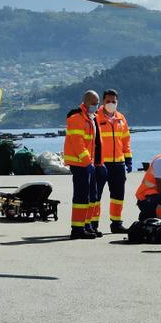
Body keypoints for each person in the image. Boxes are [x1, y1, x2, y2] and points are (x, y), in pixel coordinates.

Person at [94, 89, 134, 234]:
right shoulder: (95, 117)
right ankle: (93, 224)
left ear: (117, 102)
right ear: (102, 102)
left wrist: (128, 160)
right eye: (108, 101)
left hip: (118, 163)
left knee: (118, 196)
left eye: (114, 101)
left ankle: (116, 223)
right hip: (100, 163)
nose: (111, 104)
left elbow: (126, 140)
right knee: (95, 196)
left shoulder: (121, 118)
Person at [64, 90, 102, 239]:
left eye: (97, 103)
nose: (96, 106)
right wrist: (87, 162)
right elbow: (77, 143)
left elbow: (94, 144)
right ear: (85, 102)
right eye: (93, 103)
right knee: (81, 197)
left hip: (87, 163)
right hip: (79, 163)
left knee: (91, 196)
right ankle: (77, 229)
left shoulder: (90, 118)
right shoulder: (76, 118)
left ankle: (87, 225)